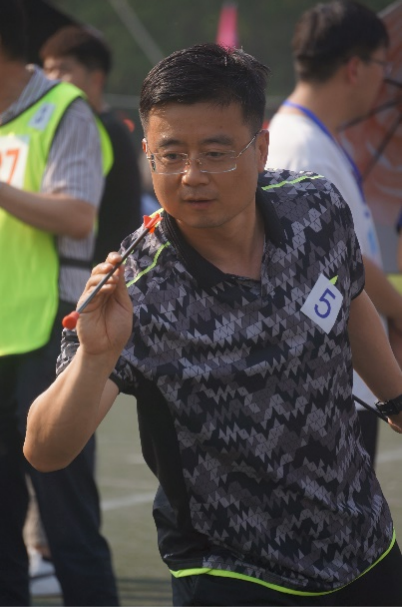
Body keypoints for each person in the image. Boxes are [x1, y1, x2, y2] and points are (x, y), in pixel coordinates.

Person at [25, 43, 402, 607]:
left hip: (365, 545)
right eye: (170, 154)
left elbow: (350, 298)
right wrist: (95, 356)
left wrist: (395, 399)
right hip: (233, 575)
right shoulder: (135, 287)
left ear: (261, 148)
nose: (191, 176)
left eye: (216, 153)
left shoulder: (315, 208)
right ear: (147, 152)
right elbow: (45, 450)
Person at [0, 1, 120, 606]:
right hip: (4, 331)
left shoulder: (63, 108)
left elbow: (77, 214)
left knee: (65, 513)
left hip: (53, 326)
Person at [266, 0, 403, 465]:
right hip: (333, 384)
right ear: (355, 67)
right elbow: (344, 260)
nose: (385, 79)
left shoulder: (312, 140)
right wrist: (398, 311)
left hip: (344, 378)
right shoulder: (303, 148)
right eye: (382, 65)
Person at [41, 25, 143, 265]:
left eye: (63, 69)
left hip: (102, 271)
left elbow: (76, 217)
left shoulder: (99, 130)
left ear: (96, 78)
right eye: (48, 70)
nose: (52, 79)